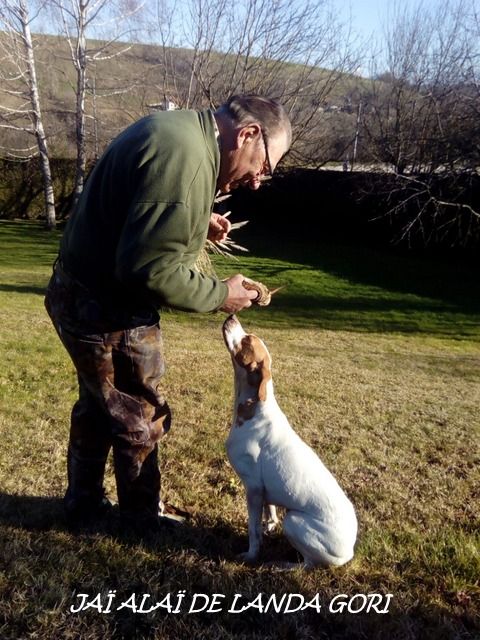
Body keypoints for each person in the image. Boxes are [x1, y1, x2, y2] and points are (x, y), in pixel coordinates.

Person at [45, 94, 292, 532]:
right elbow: (147, 270)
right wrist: (220, 294)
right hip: (105, 310)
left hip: (79, 293)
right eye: (266, 166)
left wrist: (197, 222)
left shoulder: (182, 131)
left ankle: (83, 507)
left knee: (98, 405)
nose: (259, 180)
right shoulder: (187, 158)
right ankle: (141, 522)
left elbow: (142, 215)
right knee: (139, 414)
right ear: (249, 134)